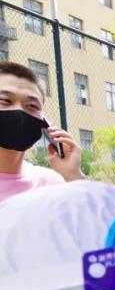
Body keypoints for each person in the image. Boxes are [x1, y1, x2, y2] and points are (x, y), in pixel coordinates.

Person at [0, 61, 83, 202]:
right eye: (5, 100)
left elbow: (89, 213)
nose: (19, 110)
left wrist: (72, 175)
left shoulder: (52, 183)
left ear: (44, 121)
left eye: (32, 106)